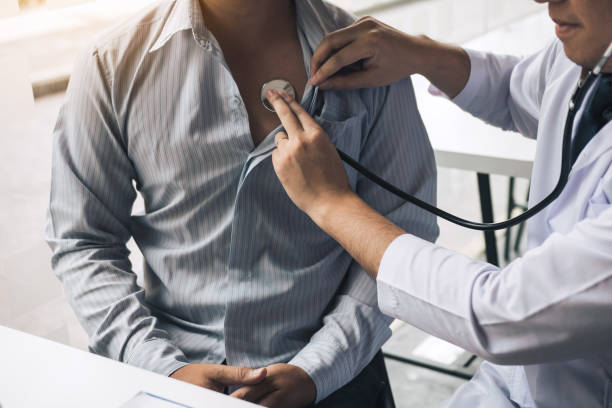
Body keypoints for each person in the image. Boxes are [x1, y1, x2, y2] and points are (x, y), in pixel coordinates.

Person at [44, 0, 439, 406]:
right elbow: (82, 241)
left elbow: (405, 229)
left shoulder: (369, 56)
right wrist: (162, 368)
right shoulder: (112, 63)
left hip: (339, 381)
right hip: (169, 376)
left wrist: (320, 366)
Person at [266, 0, 612, 406]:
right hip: (514, 386)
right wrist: (420, 54)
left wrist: (330, 203)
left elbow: (503, 315)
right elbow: (519, 88)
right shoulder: (590, 54)